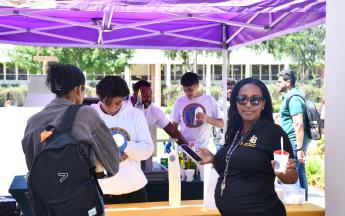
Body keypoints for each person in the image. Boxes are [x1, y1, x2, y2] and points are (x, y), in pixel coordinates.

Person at [197, 78, 297, 216]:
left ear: (263, 104)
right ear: (236, 103)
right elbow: (235, 167)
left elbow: (291, 178)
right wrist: (214, 158)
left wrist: (286, 173)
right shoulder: (235, 131)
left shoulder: (274, 132)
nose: (248, 104)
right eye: (242, 99)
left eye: (255, 100)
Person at [22, 63, 119, 175]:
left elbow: (31, 166)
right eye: (84, 90)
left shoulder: (32, 121)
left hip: (44, 191)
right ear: (79, 90)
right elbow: (113, 163)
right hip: (79, 191)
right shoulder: (85, 113)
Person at [91, 76, 154, 204]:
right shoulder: (90, 114)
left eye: (118, 103)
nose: (112, 108)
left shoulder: (135, 115)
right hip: (101, 193)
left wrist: (126, 145)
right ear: (99, 98)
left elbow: (147, 150)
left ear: (124, 98)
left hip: (134, 191)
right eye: (107, 103)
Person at [277, 69, 311, 200]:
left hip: (293, 141)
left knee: (292, 174)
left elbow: (298, 124)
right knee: (300, 172)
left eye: (280, 82)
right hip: (295, 141)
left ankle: (296, 205)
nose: (277, 84)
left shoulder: (293, 98)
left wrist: (299, 148)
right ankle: (305, 205)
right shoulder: (294, 95)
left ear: (288, 82)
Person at [171, 72, 224, 150]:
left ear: (197, 86)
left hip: (202, 149)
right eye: (185, 90)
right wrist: (172, 139)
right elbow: (174, 125)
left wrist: (206, 118)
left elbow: (221, 124)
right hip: (184, 149)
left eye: (190, 90)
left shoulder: (209, 100)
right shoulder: (179, 102)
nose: (188, 93)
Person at [213, 78, 236, 149]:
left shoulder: (239, 104)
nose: (230, 91)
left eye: (232, 89)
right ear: (222, 91)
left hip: (235, 142)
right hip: (221, 142)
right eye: (227, 89)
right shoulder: (217, 104)